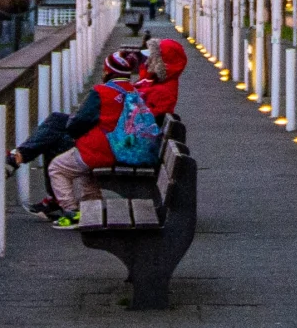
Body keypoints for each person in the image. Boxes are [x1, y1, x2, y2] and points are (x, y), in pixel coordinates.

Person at [20, 39, 185, 223]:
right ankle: (23, 161)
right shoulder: (156, 83)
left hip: (121, 144)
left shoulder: (161, 91)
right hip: (120, 139)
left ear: (163, 64)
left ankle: (54, 196)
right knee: (57, 124)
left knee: (56, 138)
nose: (146, 62)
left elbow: (133, 118)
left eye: (151, 58)